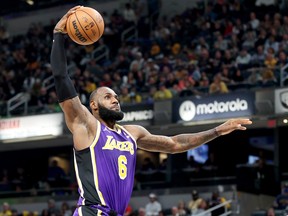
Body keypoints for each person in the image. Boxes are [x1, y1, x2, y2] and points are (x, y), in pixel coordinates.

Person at [50, 6, 252, 216]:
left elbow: (176, 143)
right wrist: (58, 36)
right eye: (108, 97)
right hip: (91, 211)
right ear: (93, 105)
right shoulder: (86, 125)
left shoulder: (132, 133)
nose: (115, 101)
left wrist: (217, 131)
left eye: (116, 97)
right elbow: (61, 78)